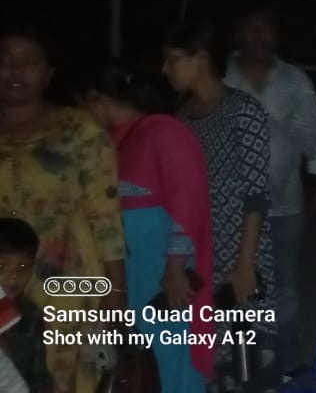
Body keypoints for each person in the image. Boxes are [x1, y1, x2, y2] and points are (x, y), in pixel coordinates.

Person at [74, 61, 217, 392]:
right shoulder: (106, 143)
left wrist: (175, 269)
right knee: (133, 370)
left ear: (97, 99)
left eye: (80, 107)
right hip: (128, 278)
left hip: (164, 282)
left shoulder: (163, 132)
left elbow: (189, 203)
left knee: (167, 363)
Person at [0, 23, 127, 393]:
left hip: (65, 285)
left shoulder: (80, 130)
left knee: (61, 381)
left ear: (49, 73)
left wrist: (116, 295)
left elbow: (106, 219)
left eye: (29, 61)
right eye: (5, 59)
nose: (15, 70)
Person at [162, 22, 277, 392]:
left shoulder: (243, 111)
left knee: (248, 361)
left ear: (200, 58)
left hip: (239, 256)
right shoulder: (180, 120)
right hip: (198, 257)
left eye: (173, 60)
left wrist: (245, 265)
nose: (165, 70)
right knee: (209, 363)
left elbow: (256, 194)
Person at [223, 9, 316, 376]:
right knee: (234, 280)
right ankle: (241, 359)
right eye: (250, 26)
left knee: (285, 283)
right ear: (237, 32)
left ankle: (286, 356)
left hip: (285, 202)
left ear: (276, 35)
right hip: (230, 207)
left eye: (265, 27)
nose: (258, 35)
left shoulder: (294, 80)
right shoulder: (221, 76)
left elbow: (315, 136)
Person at [0, 218, 52, 393]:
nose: (14, 276)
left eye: (23, 267)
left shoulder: (31, 315)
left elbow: (38, 378)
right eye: (2, 266)